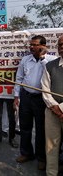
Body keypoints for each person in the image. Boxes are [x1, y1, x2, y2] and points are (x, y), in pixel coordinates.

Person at [13, 35, 57, 170]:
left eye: (35, 45)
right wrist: (16, 96)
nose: (31, 47)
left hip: (41, 99)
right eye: (30, 45)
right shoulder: (26, 60)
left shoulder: (51, 60)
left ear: (43, 46)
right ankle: (26, 153)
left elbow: (51, 75)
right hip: (26, 97)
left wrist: (42, 59)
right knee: (25, 127)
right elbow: (19, 78)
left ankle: (41, 158)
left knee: (41, 129)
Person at [41, 36, 63, 176]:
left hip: (59, 110)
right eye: (60, 44)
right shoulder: (50, 66)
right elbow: (45, 88)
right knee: (51, 145)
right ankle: (51, 173)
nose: (61, 46)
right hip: (52, 112)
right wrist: (55, 107)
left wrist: (62, 108)